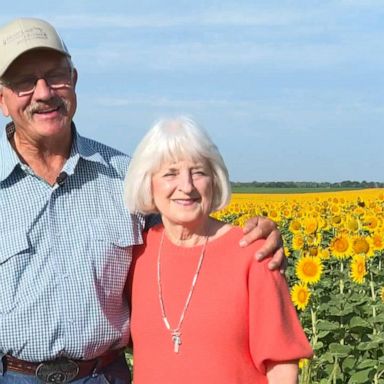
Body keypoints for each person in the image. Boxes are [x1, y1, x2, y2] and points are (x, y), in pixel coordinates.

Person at [0, 17, 285, 384]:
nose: (43, 93)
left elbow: (188, 247)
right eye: (24, 82)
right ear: (3, 99)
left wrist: (253, 243)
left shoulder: (129, 177)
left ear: (73, 80)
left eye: (55, 76)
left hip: (105, 374)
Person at [125, 116, 313, 384]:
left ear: (215, 180)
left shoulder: (252, 254)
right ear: (148, 182)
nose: (187, 186)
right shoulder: (137, 253)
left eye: (198, 172)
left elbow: (281, 365)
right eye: (170, 173)